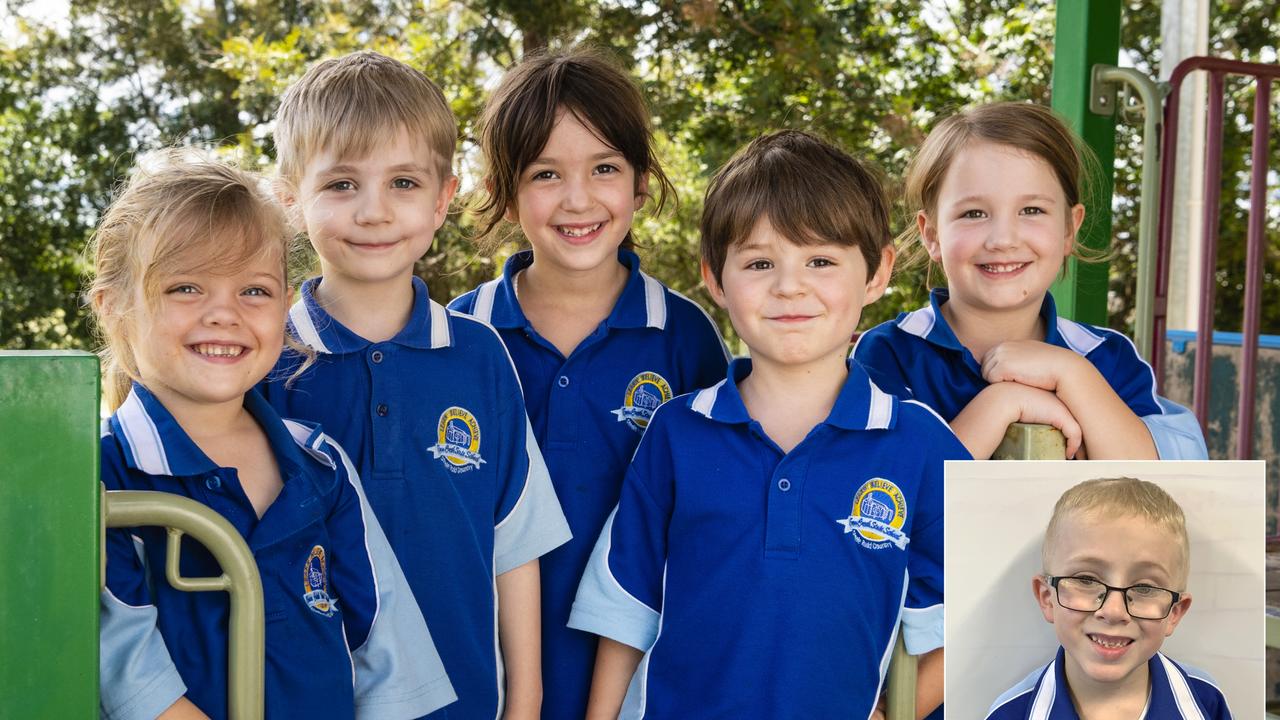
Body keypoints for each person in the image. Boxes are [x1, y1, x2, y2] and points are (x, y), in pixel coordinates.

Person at [567, 130, 969, 719]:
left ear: (877, 273)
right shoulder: (678, 433)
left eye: (821, 260)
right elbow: (624, 613)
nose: (789, 285)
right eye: (759, 262)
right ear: (715, 278)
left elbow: (967, 615)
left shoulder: (918, 442)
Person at [259, 52, 571, 719]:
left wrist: (525, 703)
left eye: (403, 183)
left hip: (465, 701)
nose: (374, 211)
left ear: (441, 200)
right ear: (291, 198)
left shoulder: (480, 356)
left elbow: (514, 549)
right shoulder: (264, 361)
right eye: (342, 184)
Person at [92, 149, 455, 719]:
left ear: (286, 306)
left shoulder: (320, 463)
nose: (224, 313)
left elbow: (386, 649)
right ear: (114, 308)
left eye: (253, 291)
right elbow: (127, 673)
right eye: (185, 288)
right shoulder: (101, 473)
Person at [448, 45, 730, 719]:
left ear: (639, 183)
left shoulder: (685, 338)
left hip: (638, 687)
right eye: (547, 173)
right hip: (484, 682)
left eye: (604, 168)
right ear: (507, 194)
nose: (578, 199)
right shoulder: (460, 335)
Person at [852, 102, 1207, 461]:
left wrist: (1071, 374)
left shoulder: (1105, 357)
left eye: (1031, 211)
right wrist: (1002, 404)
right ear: (932, 235)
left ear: (1070, 228)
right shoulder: (889, 353)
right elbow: (892, 495)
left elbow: (1161, 485)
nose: (1003, 239)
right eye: (973, 213)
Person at [985, 477, 1231, 719]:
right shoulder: (1009, 713)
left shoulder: (1206, 701)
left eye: (1144, 587)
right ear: (1047, 598)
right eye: (1087, 580)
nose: (1114, 611)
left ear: (1174, 613)